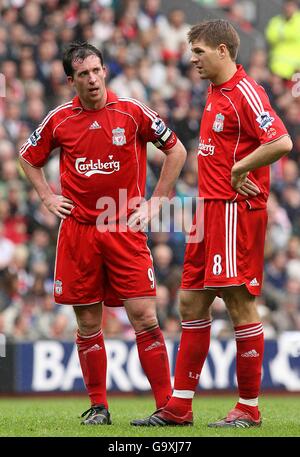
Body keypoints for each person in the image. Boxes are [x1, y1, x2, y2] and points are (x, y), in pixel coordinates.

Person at [132, 19, 293, 428]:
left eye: (199, 51)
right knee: (190, 301)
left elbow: (281, 141)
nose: (192, 59)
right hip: (208, 210)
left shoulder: (246, 91)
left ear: (223, 50)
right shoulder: (214, 91)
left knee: (238, 303)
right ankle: (179, 406)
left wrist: (241, 168)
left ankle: (249, 408)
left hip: (233, 213)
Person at [19, 42, 187, 425]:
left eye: (97, 70)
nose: (92, 79)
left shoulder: (131, 112)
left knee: (145, 316)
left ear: (105, 71)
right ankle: (99, 407)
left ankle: (169, 408)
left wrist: (157, 202)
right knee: (89, 324)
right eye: (83, 74)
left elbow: (176, 151)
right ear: (70, 80)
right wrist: (47, 197)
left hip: (123, 228)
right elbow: (28, 158)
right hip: (79, 231)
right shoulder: (59, 120)